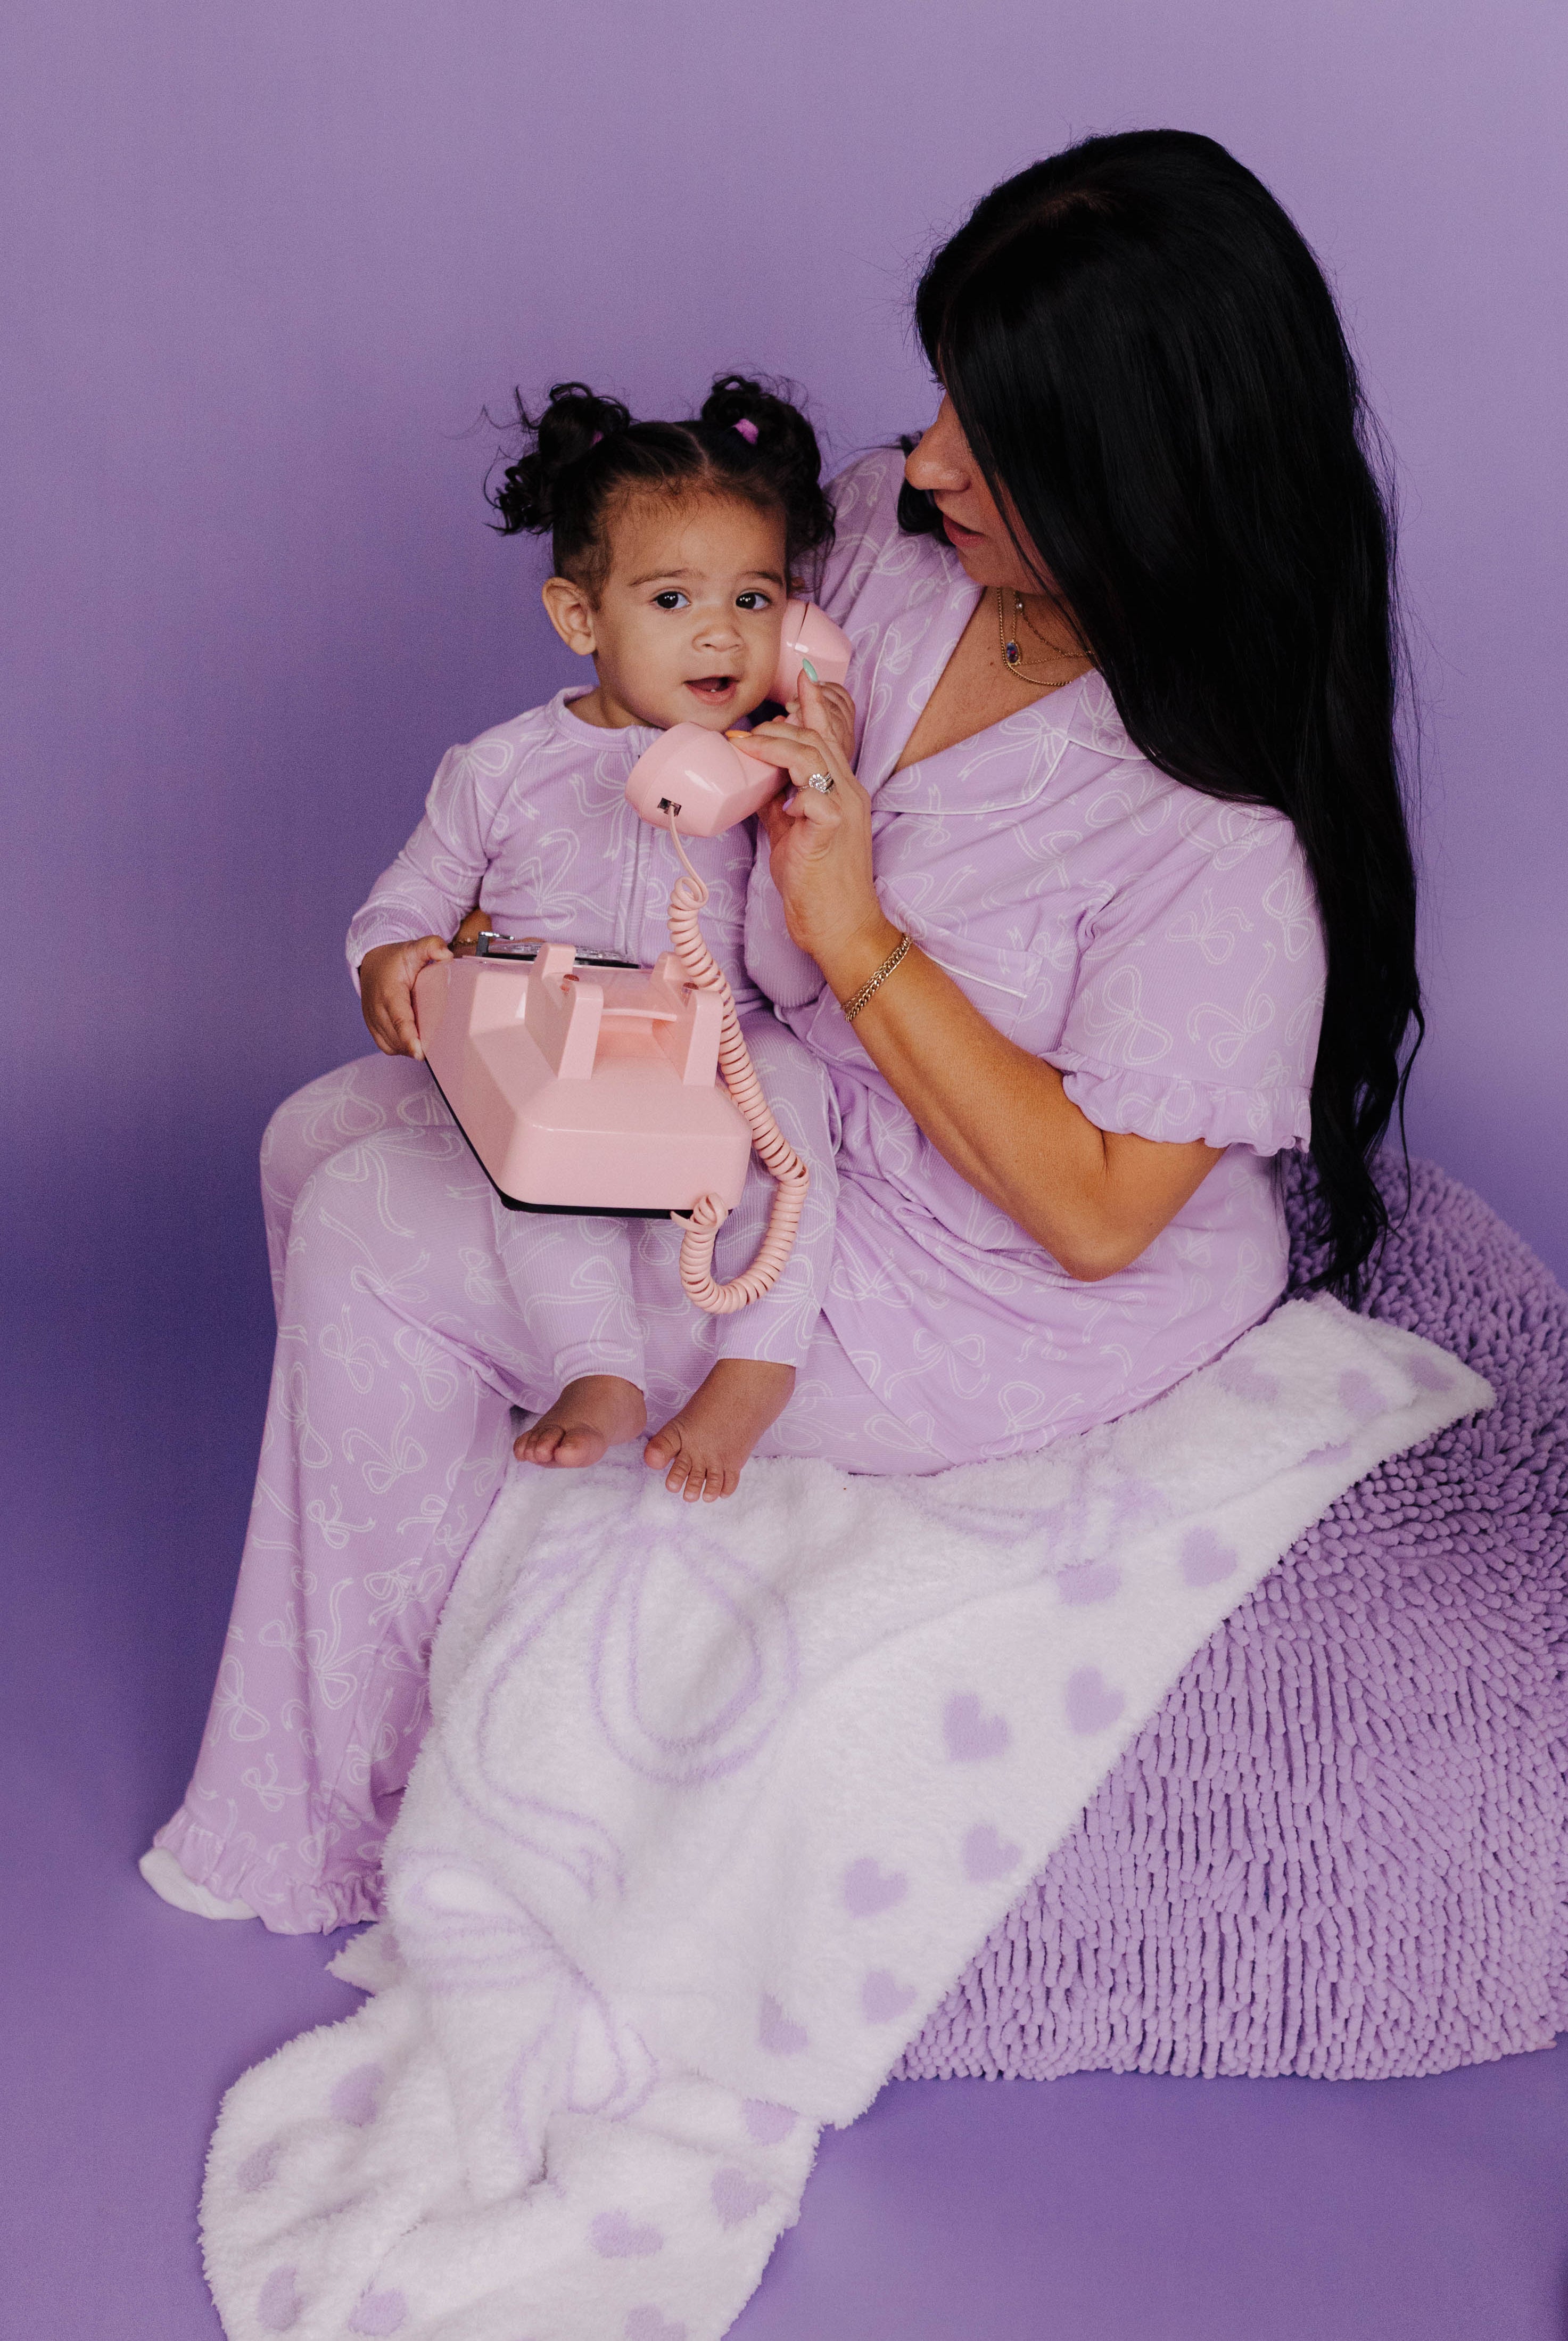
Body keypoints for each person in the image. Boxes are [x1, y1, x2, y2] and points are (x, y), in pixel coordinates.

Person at [144, 129, 1421, 1934]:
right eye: (944, 397)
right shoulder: (902, 545)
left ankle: (334, 1831)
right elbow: (684, 637)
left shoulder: (1217, 831)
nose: (930, 460)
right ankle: (481, 1657)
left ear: (1137, 476)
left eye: (997, 435)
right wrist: (550, 893)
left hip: (984, 1270)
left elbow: (1093, 1214)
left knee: (377, 1229)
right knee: (317, 1135)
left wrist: (852, 928)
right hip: (770, 1090)